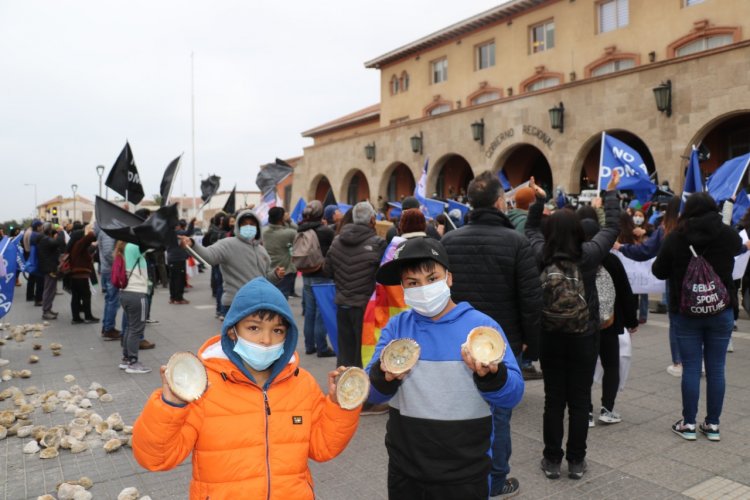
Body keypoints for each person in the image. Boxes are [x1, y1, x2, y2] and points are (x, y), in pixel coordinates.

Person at [132, 277, 361, 499]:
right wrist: (170, 405)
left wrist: (341, 406)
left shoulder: (302, 383)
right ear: (233, 331)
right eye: (254, 328)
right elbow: (156, 459)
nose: (266, 340)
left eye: (277, 330)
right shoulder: (202, 387)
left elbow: (323, 448)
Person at [366, 237, 523, 499]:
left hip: (466, 472)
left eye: (432, 278)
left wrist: (493, 377)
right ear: (403, 287)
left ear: (448, 278)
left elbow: (513, 395)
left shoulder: (482, 329)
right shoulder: (396, 328)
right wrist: (385, 378)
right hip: (406, 470)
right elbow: (373, 394)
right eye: (413, 283)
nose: (423, 288)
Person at [441, 170, 542, 497]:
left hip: (456, 342)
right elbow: (530, 298)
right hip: (504, 343)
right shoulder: (516, 241)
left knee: (458, 410)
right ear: (500, 202)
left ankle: (459, 474)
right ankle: (496, 480)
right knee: (498, 414)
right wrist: (531, 343)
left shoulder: (449, 241)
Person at [526, 172, 620, 480]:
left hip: (550, 336)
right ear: (580, 231)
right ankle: (576, 462)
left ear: (550, 230)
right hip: (584, 336)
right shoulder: (590, 255)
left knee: (554, 400)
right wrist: (609, 194)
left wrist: (539, 199)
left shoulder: (542, 254)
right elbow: (612, 228)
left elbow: (530, 228)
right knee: (580, 401)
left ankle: (552, 460)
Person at [652, 192, 746, 441]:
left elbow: (658, 271)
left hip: (686, 313)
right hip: (721, 310)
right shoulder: (727, 235)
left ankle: (689, 423)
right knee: (717, 368)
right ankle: (713, 425)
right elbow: (739, 248)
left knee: (691, 368)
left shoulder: (676, 237)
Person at [578, 215, 638, 427]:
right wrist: (632, 320)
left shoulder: (576, 259)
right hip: (609, 323)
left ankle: (584, 412)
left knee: (583, 367)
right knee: (611, 364)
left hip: (582, 324)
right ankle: (607, 408)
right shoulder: (611, 260)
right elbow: (625, 292)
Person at [614, 196, 682, 376]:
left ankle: (678, 363)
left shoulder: (666, 230)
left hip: (676, 284)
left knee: (676, 323)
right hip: (703, 286)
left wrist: (621, 248)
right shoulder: (706, 230)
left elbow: (644, 251)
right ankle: (699, 360)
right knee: (698, 322)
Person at [180, 210, 284, 317]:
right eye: (244, 224)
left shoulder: (262, 251)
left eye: (252, 224)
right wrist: (192, 245)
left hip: (259, 305)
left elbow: (265, 280)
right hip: (235, 304)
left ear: (257, 227)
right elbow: (208, 257)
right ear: (238, 226)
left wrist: (276, 275)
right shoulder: (228, 244)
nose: (248, 227)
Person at [324, 201, 386, 368]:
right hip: (365, 308)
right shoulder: (378, 243)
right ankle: (362, 390)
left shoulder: (337, 241)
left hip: (342, 304)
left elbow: (327, 271)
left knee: (345, 353)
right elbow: (383, 276)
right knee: (364, 353)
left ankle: (344, 388)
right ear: (372, 219)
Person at [296, 201, 337, 358]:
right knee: (321, 313)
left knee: (310, 312)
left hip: (307, 275)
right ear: (321, 214)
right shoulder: (325, 231)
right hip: (322, 276)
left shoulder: (300, 229)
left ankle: (309, 346)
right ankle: (322, 347)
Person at [115, 241, 152, 374]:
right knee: (136, 329)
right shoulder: (132, 246)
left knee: (130, 327)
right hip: (136, 294)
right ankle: (133, 362)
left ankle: (126, 359)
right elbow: (152, 244)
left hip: (127, 293)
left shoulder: (127, 248)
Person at [94, 222, 122, 340]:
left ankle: (107, 327)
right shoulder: (107, 231)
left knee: (110, 299)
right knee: (113, 300)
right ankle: (108, 329)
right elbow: (107, 253)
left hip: (108, 269)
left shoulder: (105, 229)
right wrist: (118, 266)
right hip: (111, 270)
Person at [263, 207, 298, 299]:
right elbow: (300, 232)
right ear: (282, 218)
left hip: (268, 270)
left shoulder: (263, 231)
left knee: (269, 298)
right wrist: (290, 221)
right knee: (282, 299)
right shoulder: (289, 233)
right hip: (284, 271)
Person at [68, 226, 99, 325]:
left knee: (76, 297)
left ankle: (76, 318)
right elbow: (90, 237)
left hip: (74, 275)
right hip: (81, 275)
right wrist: (91, 229)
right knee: (86, 295)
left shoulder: (74, 246)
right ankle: (88, 316)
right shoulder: (79, 243)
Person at [36, 222, 65, 320]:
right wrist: (61, 232)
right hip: (49, 268)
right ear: (49, 230)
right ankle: (46, 311)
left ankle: (48, 309)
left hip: (49, 267)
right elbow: (58, 243)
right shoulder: (46, 239)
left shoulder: (43, 239)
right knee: (49, 290)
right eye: (53, 229)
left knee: (51, 290)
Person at [167, 218, 195, 305]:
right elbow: (189, 233)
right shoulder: (178, 233)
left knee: (173, 279)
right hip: (178, 259)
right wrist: (192, 222)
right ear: (177, 226)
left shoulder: (168, 233)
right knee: (180, 279)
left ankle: (172, 297)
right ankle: (179, 298)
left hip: (171, 258)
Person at [23, 220, 44, 306]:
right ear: (38, 226)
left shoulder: (29, 232)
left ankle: (30, 295)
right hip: (34, 257)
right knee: (38, 279)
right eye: (41, 226)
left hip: (30, 255)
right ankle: (37, 298)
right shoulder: (35, 235)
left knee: (32, 278)